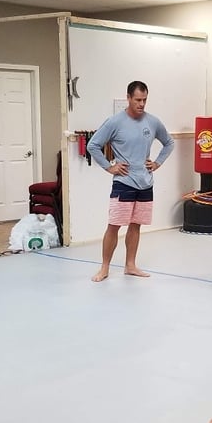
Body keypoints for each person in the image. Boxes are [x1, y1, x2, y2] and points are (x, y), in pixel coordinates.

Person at [86, 80, 174, 282]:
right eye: (137, 100)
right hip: (123, 183)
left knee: (136, 225)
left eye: (144, 100)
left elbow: (169, 143)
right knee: (114, 225)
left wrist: (157, 163)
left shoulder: (152, 122)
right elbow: (93, 145)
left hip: (146, 183)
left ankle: (130, 265)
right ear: (128, 98)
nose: (141, 104)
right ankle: (104, 268)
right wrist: (109, 167)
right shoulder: (114, 122)